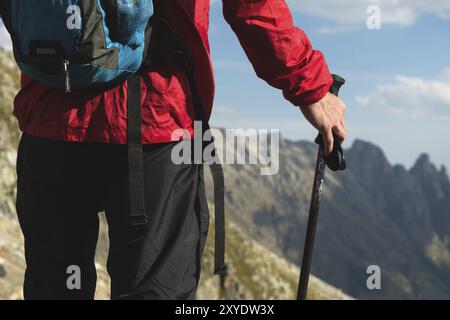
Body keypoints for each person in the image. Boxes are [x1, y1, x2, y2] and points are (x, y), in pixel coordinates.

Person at [12, 0, 346, 300]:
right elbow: (252, 6)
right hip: (152, 121)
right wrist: (310, 85)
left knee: (53, 288)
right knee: (155, 289)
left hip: (50, 120)